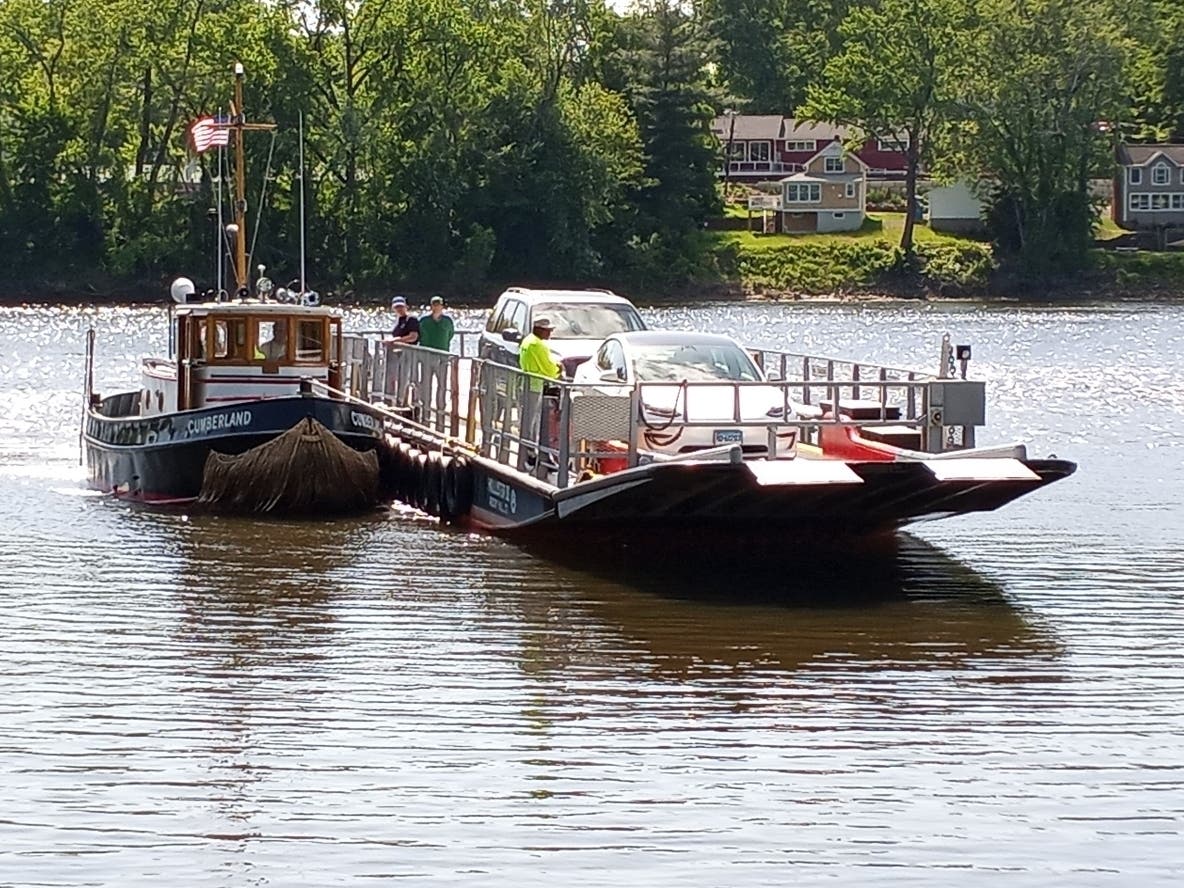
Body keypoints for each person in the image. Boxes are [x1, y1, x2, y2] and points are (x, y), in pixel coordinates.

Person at [518, 317, 561, 390]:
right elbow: (549, 370)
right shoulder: (538, 345)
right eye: (547, 330)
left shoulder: (528, 340)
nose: (549, 333)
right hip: (537, 386)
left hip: (526, 383)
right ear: (538, 330)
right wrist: (559, 369)